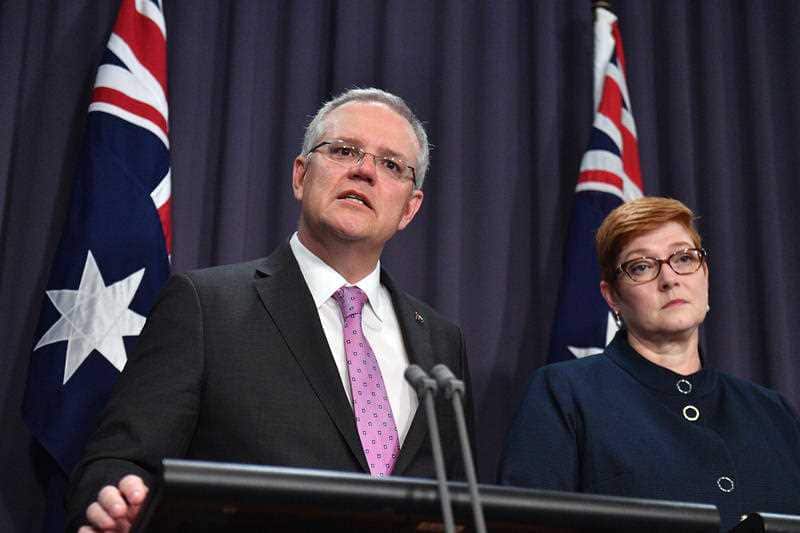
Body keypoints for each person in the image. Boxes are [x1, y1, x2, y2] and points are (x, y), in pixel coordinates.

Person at [67, 88, 472, 532]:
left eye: (392, 164)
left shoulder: (440, 343)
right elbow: (122, 461)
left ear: (409, 209)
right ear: (300, 176)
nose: (364, 171)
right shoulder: (206, 306)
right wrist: (117, 503)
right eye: (343, 150)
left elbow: (454, 500)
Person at [499, 197, 800, 530]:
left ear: (705, 274)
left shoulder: (772, 412)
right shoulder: (565, 394)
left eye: (684, 258)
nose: (670, 279)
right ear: (611, 296)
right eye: (641, 266)